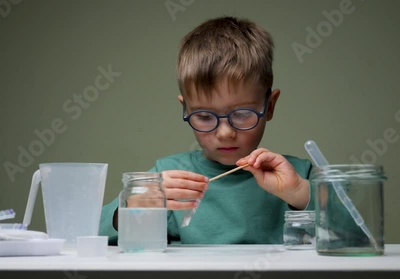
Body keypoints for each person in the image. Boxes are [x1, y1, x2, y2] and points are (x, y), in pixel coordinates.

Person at [99, 16, 313, 245]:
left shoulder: (300, 176)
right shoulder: (169, 177)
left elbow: (347, 235)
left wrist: (299, 192)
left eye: (241, 114)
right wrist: (132, 206)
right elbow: (92, 231)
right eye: (204, 116)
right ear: (185, 108)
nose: (224, 133)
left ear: (269, 106)